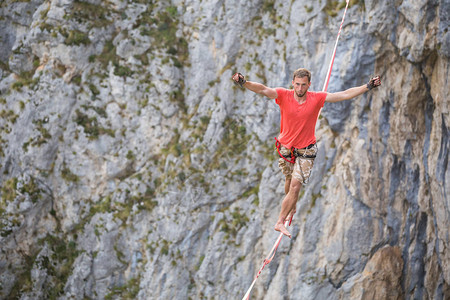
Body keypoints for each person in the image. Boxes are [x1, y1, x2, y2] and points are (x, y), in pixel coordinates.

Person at [232, 68, 381, 238]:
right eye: (297, 84)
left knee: (295, 186)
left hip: (306, 149)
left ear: (309, 85)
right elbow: (263, 89)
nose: (300, 88)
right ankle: (291, 205)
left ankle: (279, 221)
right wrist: (244, 82)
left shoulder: (317, 98)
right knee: (289, 181)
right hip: (286, 147)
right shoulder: (283, 95)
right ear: (293, 83)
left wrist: (367, 86)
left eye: (303, 85)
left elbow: (344, 95)